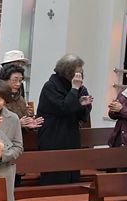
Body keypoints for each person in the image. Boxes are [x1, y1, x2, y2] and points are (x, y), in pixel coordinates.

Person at [35, 55, 91, 185]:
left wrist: (83, 105)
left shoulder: (80, 87)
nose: (79, 76)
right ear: (67, 72)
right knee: (54, 175)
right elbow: (64, 108)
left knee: (71, 172)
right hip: (53, 136)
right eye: (76, 73)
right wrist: (74, 90)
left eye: (81, 72)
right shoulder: (51, 86)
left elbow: (83, 115)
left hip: (71, 134)